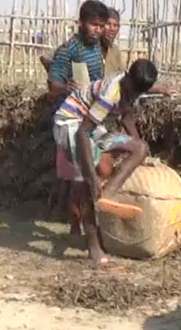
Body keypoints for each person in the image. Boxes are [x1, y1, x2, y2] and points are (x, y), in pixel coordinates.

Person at [53, 59, 158, 265]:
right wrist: (91, 177)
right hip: (71, 123)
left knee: (140, 148)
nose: (132, 96)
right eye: (131, 91)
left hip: (93, 127)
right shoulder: (111, 93)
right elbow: (83, 132)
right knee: (84, 183)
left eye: (136, 94)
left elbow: (126, 116)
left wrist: (139, 146)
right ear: (127, 77)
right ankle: (94, 250)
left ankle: (108, 193)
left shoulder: (132, 89)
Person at [46, 0, 109, 98]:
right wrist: (66, 88)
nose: (97, 30)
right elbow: (53, 86)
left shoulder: (96, 45)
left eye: (101, 26)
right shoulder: (68, 50)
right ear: (81, 22)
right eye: (93, 25)